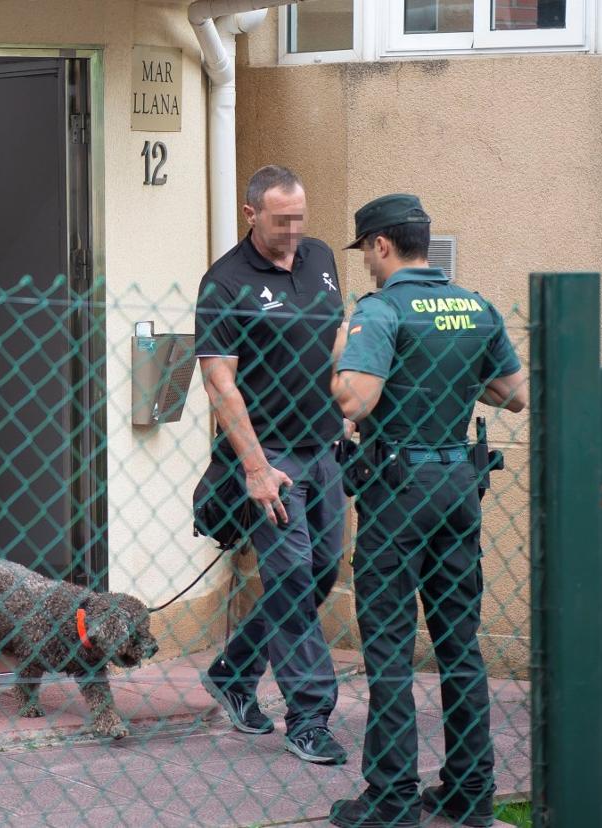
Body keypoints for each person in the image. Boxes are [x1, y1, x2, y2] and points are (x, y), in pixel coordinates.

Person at [328, 194, 528, 828]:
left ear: (382, 246)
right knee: (458, 643)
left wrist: (340, 354)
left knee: (388, 647)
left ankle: (391, 800)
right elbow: (514, 394)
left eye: (365, 252)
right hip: (458, 490)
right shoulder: (475, 305)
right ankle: (472, 793)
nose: (365, 264)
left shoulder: (380, 310)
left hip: (398, 492)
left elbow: (356, 400)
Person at [194, 165, 348, 765]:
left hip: (325, 445)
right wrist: (255, 467)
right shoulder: (224, 282)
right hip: (270, 455)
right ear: (251, 213)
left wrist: (348, 407)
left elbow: (333, 339)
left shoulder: (321, 258)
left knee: (321, 570)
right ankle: (309, 715)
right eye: (281, 220)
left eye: (300, 218)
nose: (293, 230)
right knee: (288, 576)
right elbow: (219, 382)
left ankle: (234, 674)